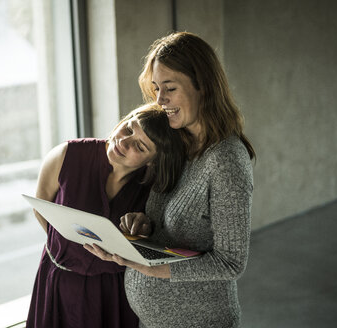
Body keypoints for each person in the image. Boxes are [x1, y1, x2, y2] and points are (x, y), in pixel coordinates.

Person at [85, 32, 256, 327]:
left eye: (170, 88)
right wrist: (143, 225)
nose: (159, 100)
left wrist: (151, 268)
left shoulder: (226, 160)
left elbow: (231, 263)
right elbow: (174, 229)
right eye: (155, 88)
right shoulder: (178, 144)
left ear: (202, 86)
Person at [25, 103, 186, 328]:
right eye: (128, 129)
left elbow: (153, 237)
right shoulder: (66, 154)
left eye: (139, 146)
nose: (124, 142)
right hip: (59, 281)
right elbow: (40, 206)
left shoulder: (152, 188)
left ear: (152, 161)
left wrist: (142, 228)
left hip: (113, 292)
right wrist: (68, 247)